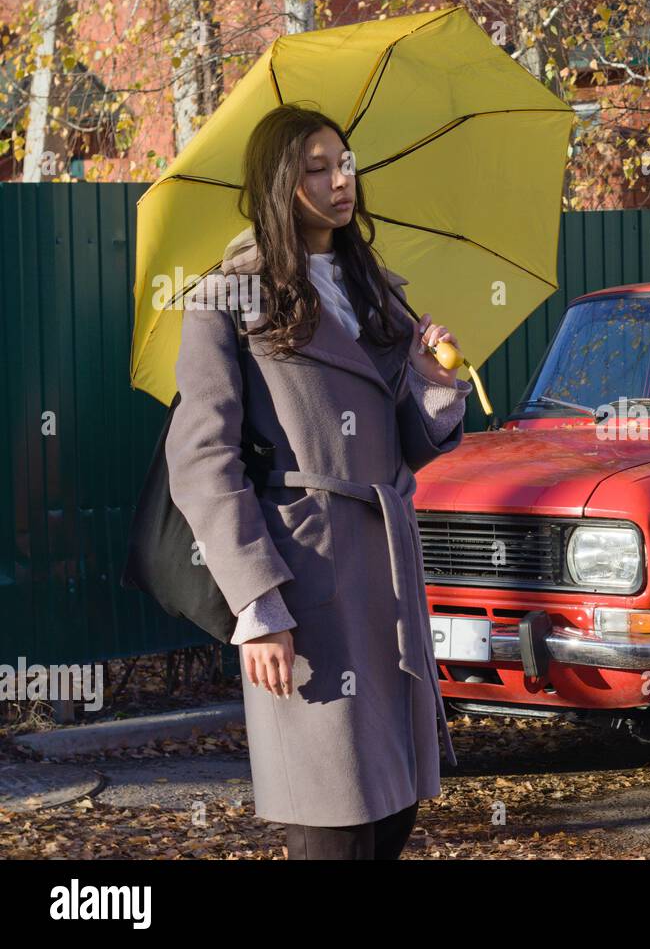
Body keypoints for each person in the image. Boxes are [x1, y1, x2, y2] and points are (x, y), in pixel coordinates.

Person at [164, 102, 473, 859]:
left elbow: (414, 441)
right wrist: (258, 605)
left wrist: (436, 382)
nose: (341, 181)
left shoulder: (378, 292)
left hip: (388, 577)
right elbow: (202, 459)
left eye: (346, 164)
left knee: (393, 812)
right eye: (316, 168)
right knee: (331, 821)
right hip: (305, 574)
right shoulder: (227, 300)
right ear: (278, 183)